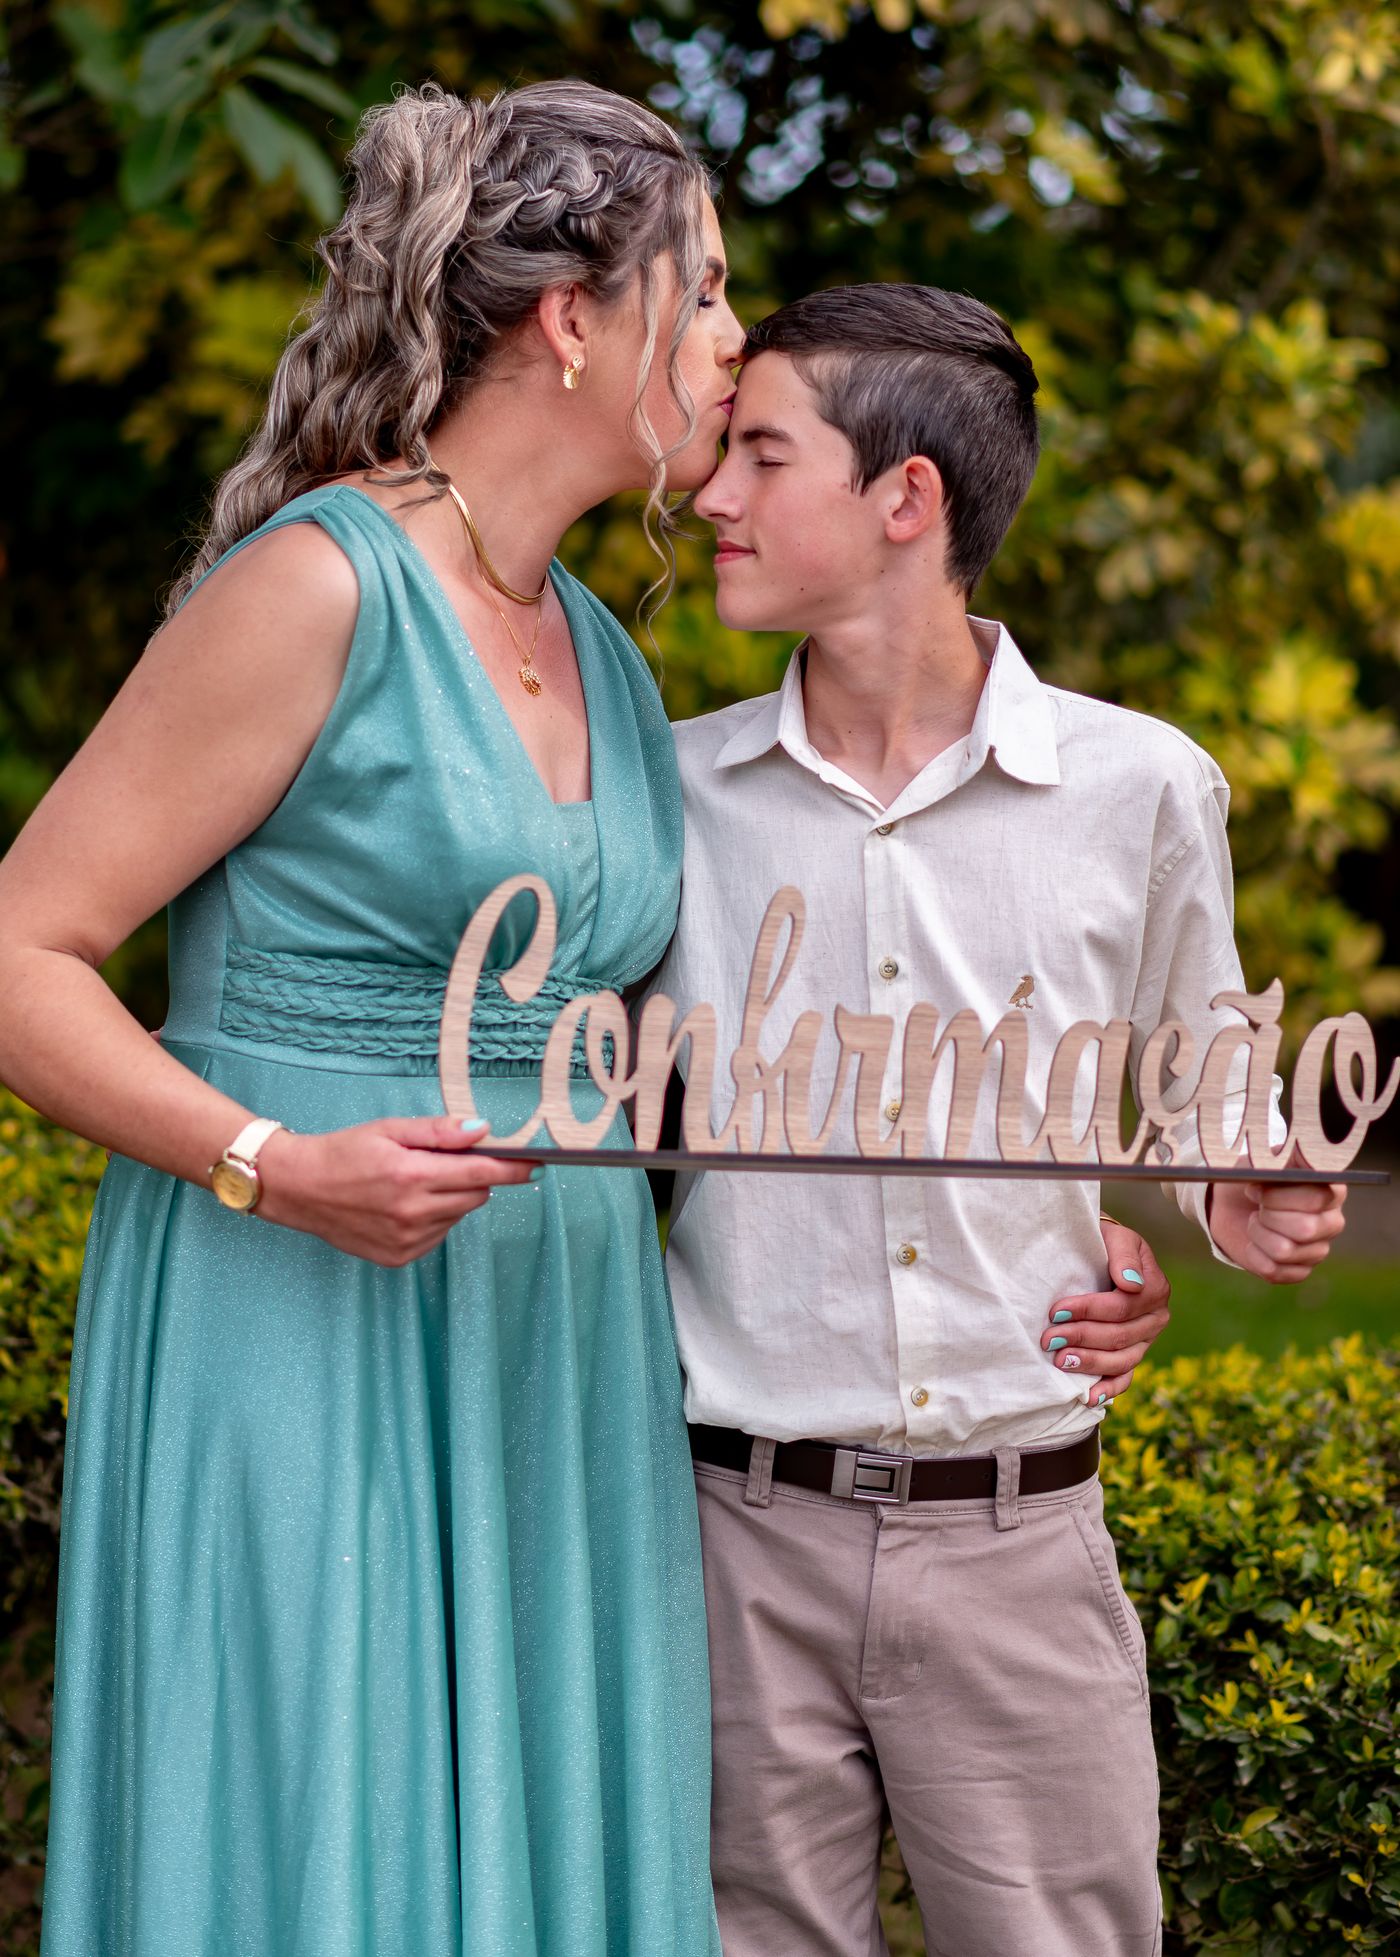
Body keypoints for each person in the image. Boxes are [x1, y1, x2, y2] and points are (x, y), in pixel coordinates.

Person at [0, 80, 747, 1957]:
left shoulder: (607, 649)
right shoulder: (320, 585)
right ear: (572, 319)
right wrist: (268, 1161)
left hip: (556, 1346)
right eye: (711, 291)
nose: (737, 342)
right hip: (300, 1315)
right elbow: (20, 951)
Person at [649, 284, 1349, 1956]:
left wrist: (1233, 1199)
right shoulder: (668, 795)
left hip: (1018, 1539)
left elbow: (1209, 1094)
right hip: (727, 1534)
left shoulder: (1144, 787)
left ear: (907, 497)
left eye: (762, 455)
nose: (711, 494)